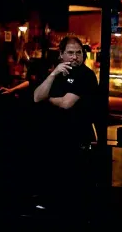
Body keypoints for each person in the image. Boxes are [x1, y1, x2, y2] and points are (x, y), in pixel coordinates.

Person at [33, 36, 99, 225]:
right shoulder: (56, 74)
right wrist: (53, 75)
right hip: (54, 138)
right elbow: (37, 96)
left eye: (79, 53)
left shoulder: (85, 75)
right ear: (61, 55)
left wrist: (49, 99)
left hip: (77, 140)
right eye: (70, 53)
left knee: (74, 194)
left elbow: (66, 103)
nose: (75, 57)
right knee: (54, 189)